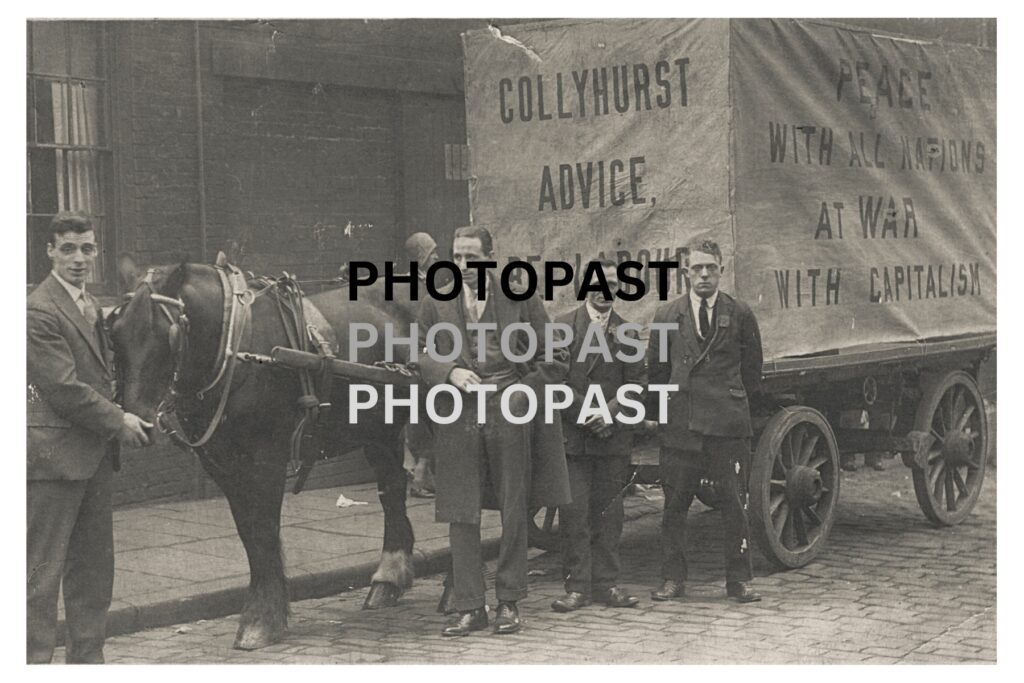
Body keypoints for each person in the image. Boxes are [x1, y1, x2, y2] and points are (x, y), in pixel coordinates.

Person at [417, 225, 571, 636]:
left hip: (510, 414)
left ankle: (508, 601)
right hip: (459, 418)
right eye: (458, 257)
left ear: (490, 256)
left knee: (514, 508)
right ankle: (470, 605)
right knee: (460, 512)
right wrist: (450, 373)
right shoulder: (437, 303)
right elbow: (418, 352)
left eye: (473, 258)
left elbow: (557, 355)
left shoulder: (518, 298)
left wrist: (523, 390)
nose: (464, 266)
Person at [27, 212, 153, 663]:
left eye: (87, 248)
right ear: (50, 252)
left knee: (93, 570)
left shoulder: (90, 304)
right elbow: (63, 387)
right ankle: (33, 663)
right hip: (54, 461)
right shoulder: (39, 309)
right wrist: (119, 420)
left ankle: (87, 660)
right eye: (68, 249)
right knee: (38, 576)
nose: (79, 259)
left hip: (95, 457)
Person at [646, 238, 764, 603]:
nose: (704, 275)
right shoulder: (668, 315)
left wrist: (729, 399)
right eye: (696, 268)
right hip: (682, 425)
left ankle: (739, 580)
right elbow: (657, 371)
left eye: (710, 268)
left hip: (726, 426)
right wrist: (662, 417)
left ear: (721, 271)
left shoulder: (740, 313)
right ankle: (673, 579)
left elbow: (752, 371)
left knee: (733, 503)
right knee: (675, 506)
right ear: (686, 274)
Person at [550, 259, 643, 612]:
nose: (605, 290)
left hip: (611, 437)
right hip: (573, 438)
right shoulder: (562, 328)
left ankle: (607, 584)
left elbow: (637, 385)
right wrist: (586, 413)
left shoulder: (627, 333)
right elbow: (553, 380)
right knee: (573, 514)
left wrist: (610, 415)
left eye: (613, 283)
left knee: (609, 513)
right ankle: (577, 587)